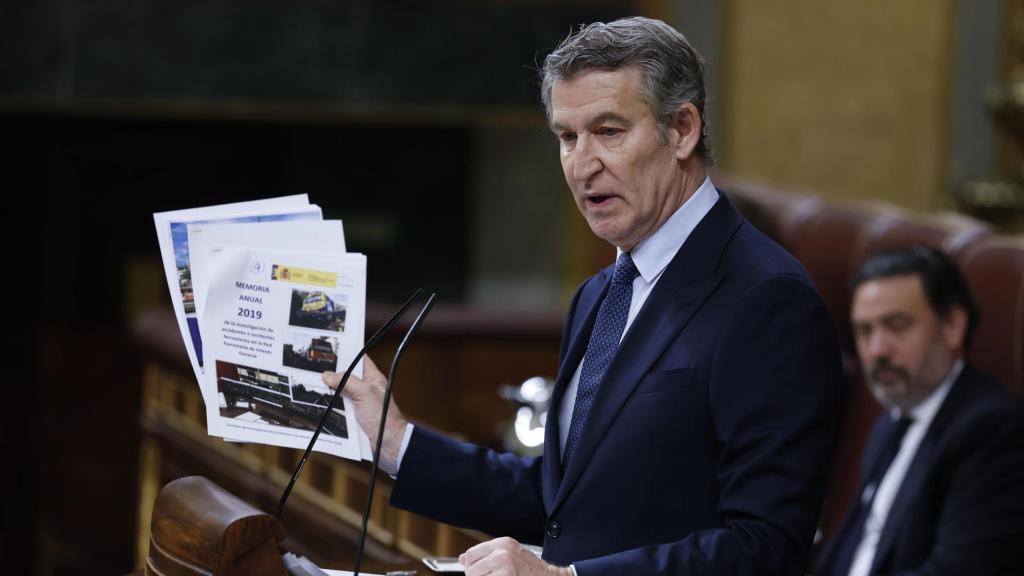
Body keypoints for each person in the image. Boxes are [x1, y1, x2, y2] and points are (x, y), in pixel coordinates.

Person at [325, 16, 840, 575]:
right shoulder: (600, 293)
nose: (582, 164)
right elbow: (566, 502)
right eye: (568, 137)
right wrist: (396, 440)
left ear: (683, 130)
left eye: (610, 132)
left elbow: (765, 546)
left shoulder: (767, 298)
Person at [815, 246, 1024, 575]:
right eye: (865, 331)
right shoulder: (892, 420)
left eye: (896, 325)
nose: (877, 350)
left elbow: (960, 569)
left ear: (953, 326)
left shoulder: (993, 430)